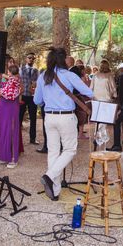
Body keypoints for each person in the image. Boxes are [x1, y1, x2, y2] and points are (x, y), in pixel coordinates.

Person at [34, 47, 93, 201]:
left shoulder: (43, 76)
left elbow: (36, 101)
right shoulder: (69, 75)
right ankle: (49, 176)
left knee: (53, 151)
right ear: (63, 60)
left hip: (49, 117)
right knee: (70, 150)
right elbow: (89, 93)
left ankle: (54, 190)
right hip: (66, 117)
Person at [0, 64, 22, 169]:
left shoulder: (16, 81)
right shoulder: (9, 80)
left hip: (10, 109)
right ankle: (3, 156)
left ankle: (13, 158)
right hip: (2, 108)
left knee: (11, 131)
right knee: (1, 131)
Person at [19, 53, 39, 144]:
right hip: (22, 96)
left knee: (33, 118)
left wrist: (35, 86)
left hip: (32, 97)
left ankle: (32, 139)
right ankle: (17, 138)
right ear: (26, 59)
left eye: (33, 58)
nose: (31, 59)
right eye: (29, 58)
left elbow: (37, 83)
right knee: (19, 118)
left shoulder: (36, 71)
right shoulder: (21, 69)